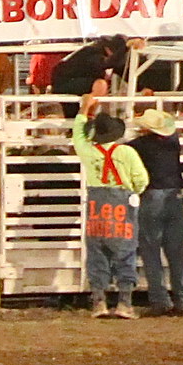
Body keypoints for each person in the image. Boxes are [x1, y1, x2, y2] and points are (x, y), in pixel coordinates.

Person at [73, 90, 149, 319]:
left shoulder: (88, 151)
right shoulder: (127, 152)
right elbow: (141, 180)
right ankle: (125, 303)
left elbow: (78, 136)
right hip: (122, 203)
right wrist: (133, 192)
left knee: (97, 252)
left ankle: (99, 302)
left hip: (97, 204)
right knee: (125, 251)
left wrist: (84, 110)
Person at [127, 109, 183, 316]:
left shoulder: (138, 146)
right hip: (174, 196)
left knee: (151, 250)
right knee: (176, 252)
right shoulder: (173, 144)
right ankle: (182, 299)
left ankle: (160, 300)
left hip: (152, 196)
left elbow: (123, 149)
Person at [51, 35, 129, 118]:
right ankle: (88, 116)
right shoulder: (92, 52)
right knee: (101, 85)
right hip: (65, 83)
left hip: (81, 84)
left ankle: (86, 116)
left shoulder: (113, 60)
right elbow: (105, 63)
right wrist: (126, 48)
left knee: (101, 86)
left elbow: (124, 72)